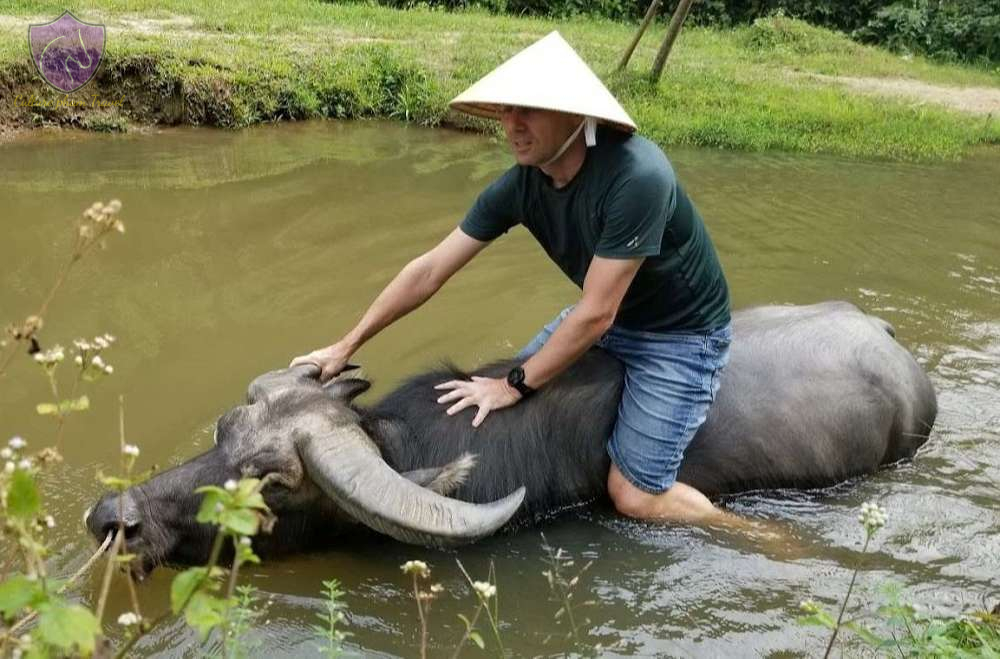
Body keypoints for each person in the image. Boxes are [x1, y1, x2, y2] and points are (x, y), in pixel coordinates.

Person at [291, 32, 733, 525]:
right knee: (508, 416)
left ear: (574, 114)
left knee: (634, 497)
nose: (512, 126)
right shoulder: (525, 184)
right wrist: (344, 346)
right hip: (611, 317)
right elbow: (431, 269)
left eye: (529, 110)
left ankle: (753, 533)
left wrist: (513, 384)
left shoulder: (638, 177)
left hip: (678, 337)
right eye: (505, 110)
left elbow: (596, 313)